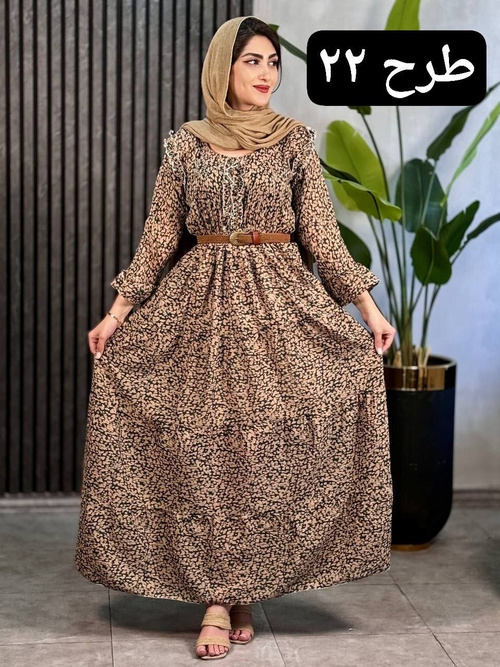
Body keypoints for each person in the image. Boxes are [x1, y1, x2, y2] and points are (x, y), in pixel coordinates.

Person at [75, 15, 396, 662]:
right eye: (253, 60)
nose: (266, 73)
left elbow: (321, 235)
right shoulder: (185, 146)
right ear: (222, 67)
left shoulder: (294, 141)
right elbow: (160, 235)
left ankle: (242, 588)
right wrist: (118, 312)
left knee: (261, 449)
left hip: (280, 304)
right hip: (200, 308)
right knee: (209, 453)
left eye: (274, 62)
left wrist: (368, 308)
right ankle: (218, 599)